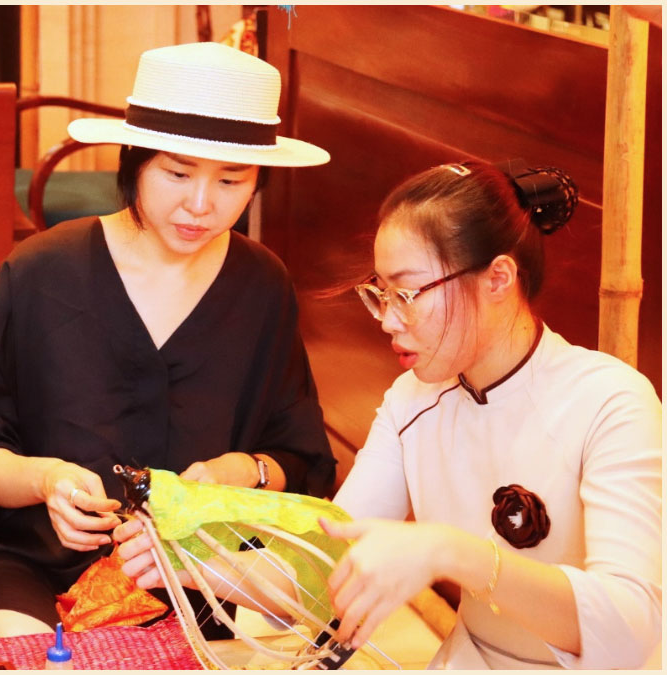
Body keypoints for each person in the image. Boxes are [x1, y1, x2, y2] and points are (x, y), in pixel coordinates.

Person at [116, 160, 662, 669]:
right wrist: (196, 566)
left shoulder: (610, 401)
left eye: (408, 292)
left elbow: (628, 630)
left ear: (498, 278)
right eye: (381, 293)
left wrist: (452, 552)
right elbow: (328, 568)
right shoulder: (412, 400)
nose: (388, 320)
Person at [0, 41, 338, 644]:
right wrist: (45, 481)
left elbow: (300, 461)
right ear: (134, 161)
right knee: (27, 654)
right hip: (15, 558)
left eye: (231, 180)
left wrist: (237, 471)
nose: (200, 205)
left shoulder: (262, 285)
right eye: (177, 173)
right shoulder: (43, 270)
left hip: (182, 577)